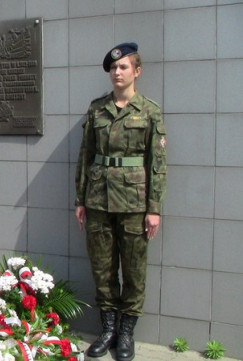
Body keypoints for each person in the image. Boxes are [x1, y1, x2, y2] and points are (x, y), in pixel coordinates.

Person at [74, 43, 167, 361]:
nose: (117, 72)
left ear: (136, 71)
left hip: (134, 204)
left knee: (134, 270)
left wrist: (154, 208)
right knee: (102, 270)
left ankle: (126, 334)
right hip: (98, 200)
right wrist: (81, 198)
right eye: (113, 68)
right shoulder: (97, 109)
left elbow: (157, 163)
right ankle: (109, 330)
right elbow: (85, 156)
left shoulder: (149, 111)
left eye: (123, 67)